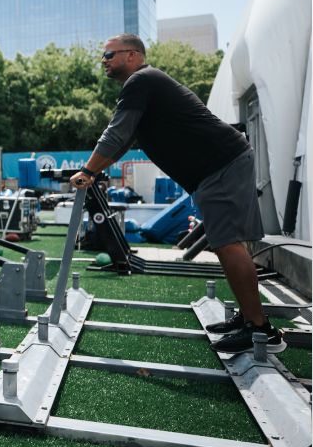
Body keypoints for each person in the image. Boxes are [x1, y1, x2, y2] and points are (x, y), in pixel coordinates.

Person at [69, 34, 283, 354]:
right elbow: (124, 140)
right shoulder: (144, 86)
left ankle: (262, 331)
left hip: (221, 165)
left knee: (227, 243)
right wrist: (95, 169)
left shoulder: (142, 80)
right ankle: (249, 318)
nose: (104, 61)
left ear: (132, 55)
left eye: (109, 54)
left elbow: (117, 132)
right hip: (217, 167)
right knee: (227, 243)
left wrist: (88, 171)